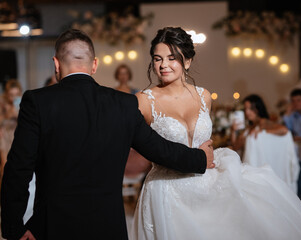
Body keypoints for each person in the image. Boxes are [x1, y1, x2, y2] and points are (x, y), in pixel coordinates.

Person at [0, 29, 214, 240]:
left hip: (53, 227)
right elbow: (159, 149)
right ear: (94, 65)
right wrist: (200, 158)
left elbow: (18, 169)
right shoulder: (123, 104)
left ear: (56, 64)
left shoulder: (37, 102)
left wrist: (14, 228)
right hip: (108, 228)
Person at [131, 27, 301, 240]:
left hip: (204, 181)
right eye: (157, 59)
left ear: (187, 61)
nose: (163, 65)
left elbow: (205, 140)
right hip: (166, 190)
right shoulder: (144, 101)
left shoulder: (204, 96)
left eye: (172, 58)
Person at [0, 79, 22, 186]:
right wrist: (8, 113)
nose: (14, 97)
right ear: (7, 94)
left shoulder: (23, 103)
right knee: (4, 167)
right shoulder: (2, 102)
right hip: (5, 136)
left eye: (16, 94)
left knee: (17, 166)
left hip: (17, 135)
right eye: (11, 94)